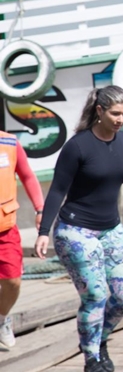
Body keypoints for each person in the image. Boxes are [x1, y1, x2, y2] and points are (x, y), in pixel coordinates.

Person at [35, 86, 123, 372]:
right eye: (115, 113)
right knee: (96, 295)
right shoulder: (77, 146)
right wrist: (43, 230)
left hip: (111, 228)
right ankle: (92, 360)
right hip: (75, 231)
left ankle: (98, 339)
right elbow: (57, 191)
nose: (121, 119)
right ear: (100, 111)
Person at [0, 131, 45, 349]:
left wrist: (40, 209)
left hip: (5, 228)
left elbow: (27, 175)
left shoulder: (8, 142)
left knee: (13, 281)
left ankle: (1, 319)